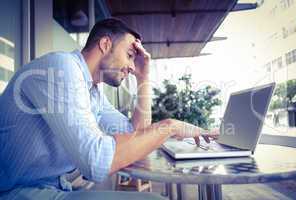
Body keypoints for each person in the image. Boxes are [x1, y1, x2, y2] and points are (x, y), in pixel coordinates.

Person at [0, 18, 218, 199]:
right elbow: (95, 164)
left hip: (53, 190)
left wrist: (144, 76)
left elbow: (135, 133)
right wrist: (170, 126)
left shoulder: (93, 92)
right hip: (17, 193)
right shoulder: (61, 67)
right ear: (105, 44)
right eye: (130, 56)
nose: (132, 67)